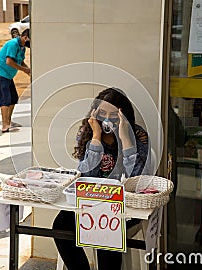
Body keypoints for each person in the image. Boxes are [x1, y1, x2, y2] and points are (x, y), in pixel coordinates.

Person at [52, 87, 151, 270]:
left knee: (104, 231)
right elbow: (86, 175)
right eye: (102, 113)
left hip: (124, 206)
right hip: (91, 201)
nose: (107, 119)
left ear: (123, 115)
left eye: (114, 115)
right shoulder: (87, 131)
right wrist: (96, 138)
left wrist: (126, 140)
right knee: (61, 225)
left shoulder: (138, 136)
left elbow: (136, 180)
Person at [0, 29, 30, 132]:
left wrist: (28, 70)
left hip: (7, 76)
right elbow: (9, 61)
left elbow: (20, 61)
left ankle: (8, 121)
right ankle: (5, 125)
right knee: (5, 99)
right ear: (25, 37)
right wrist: (24, 69)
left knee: (13, 98)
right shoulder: (13, 44)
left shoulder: (22, 48)